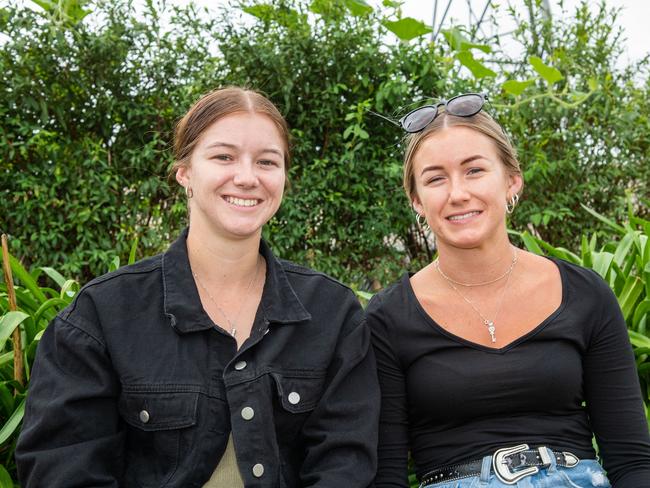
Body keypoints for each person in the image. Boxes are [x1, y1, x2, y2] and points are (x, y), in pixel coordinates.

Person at [16, 87, 379, 487]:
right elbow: (63, 468)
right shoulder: (103, 314)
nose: (246, 177)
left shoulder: (331, 312)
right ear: (185, 172)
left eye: (267, 161)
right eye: (223, 156)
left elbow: (345, 465)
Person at [368, 93, 650, 487]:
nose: (457, 193)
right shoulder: (387, 319)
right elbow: (386, 477)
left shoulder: (586, 295)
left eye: (475, 170)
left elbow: (633, 461)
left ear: (512, 179)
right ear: (417, 200)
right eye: (435, 178)